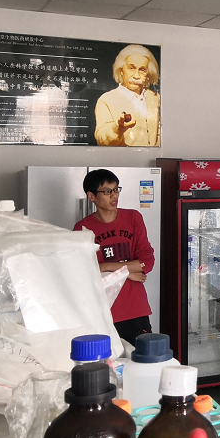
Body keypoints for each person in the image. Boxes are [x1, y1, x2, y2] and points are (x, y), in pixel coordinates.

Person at [74, 169, 155, 345]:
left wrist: (105, 267)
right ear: (91, 196)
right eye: (107, 191)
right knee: (107, 361)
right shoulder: (82, 228)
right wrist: (127, 272)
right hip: (101, 312)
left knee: (140, 359)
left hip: (135, 310)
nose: (114, 195)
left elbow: (147, 262)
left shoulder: (133, 218)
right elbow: (84, 274)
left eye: (116, 189)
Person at [94, 44, 161, 146]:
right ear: (121, 70)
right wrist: (117, 128)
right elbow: (101, 139)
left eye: (142, 70)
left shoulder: (156, 98)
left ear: (148, 73)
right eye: (131, 68)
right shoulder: (106, 100)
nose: (136, 75)